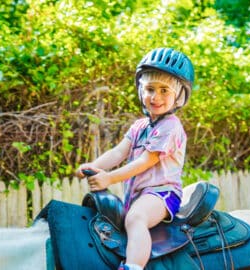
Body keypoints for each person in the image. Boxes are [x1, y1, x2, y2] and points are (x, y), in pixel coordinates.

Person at [75, 47, 194, 270]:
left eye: (164, 91)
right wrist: (94, 166)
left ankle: (133, 266)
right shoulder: (140, 126)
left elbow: (145, 162)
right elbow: (118, 152)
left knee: (135, 218)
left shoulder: (171, 127)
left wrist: (109, 178)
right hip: (139, 194)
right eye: (149, 89)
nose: (155, 97)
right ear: (140, 91)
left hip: (162, 193)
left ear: (179, 97)